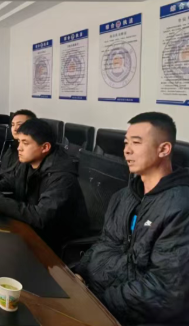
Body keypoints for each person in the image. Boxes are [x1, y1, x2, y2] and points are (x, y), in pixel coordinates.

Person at [75, 112, 189, 325]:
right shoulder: (124, 195)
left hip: (130, 313)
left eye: (136, 143)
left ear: (164, 149)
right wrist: (78, 275)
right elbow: (105, 242)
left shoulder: (180, 207)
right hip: (97, 295)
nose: (127, 150)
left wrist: (99, 302)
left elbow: (164, 292)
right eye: (126, 143)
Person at [0, 118, 88, 252]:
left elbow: (40, 217)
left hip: (55, 242)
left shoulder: (62, 177)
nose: (19, 148)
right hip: (30, 230)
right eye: (19, 142)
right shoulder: (29, 162)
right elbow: (12, 180)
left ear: (45, 147)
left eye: (25, 143)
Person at [0, 109, 37, 182]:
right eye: (13, 125)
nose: (15, 129)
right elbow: (0, 169)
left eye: (19, 124)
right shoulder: (12, 146)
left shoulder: (29, 152)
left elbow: (13, 180)